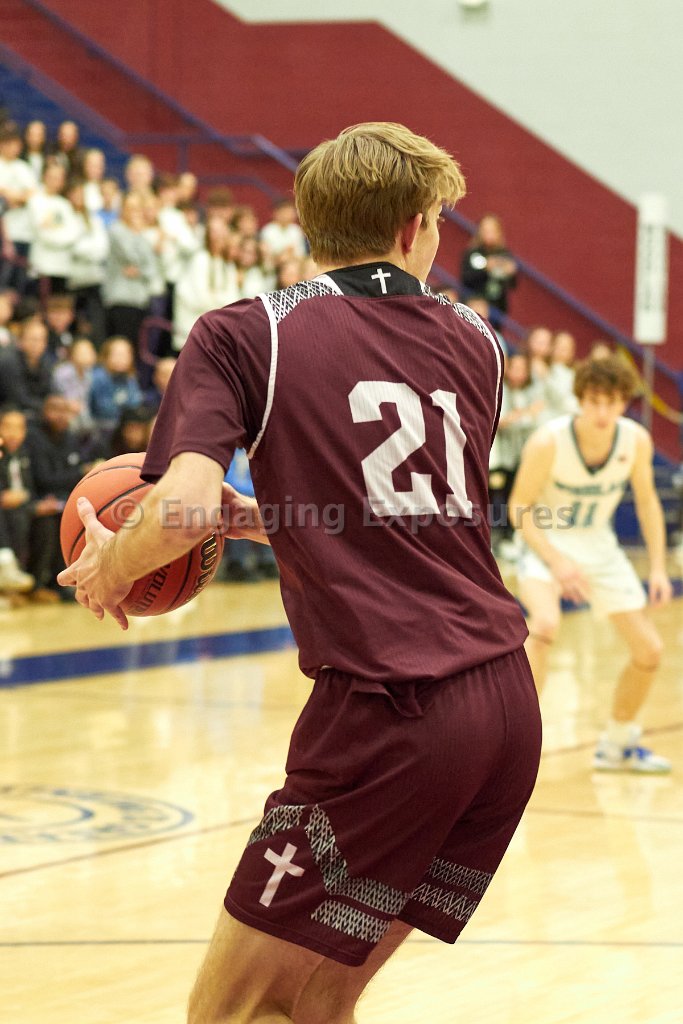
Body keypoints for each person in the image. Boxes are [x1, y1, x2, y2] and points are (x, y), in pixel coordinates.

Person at [59, 122, 541, 1024]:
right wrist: (274, 516)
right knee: (315, 1007)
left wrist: (111, 568)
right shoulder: (478, 340)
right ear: (411, 227)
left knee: (235, 1014)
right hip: (504, 708)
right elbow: (422, 523)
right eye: (439, 220)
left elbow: (180, 508)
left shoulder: (246, 331)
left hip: (393, 711)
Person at [509, 356, 672, 773]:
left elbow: (648, 502)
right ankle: (512, 745)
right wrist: (557, 562)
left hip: (599, 546)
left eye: (612, 403)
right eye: (595, 401)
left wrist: (657, 567)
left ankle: (618, 743)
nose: (603, 412)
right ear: (581, 399)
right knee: (545, 625)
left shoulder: (635, 441)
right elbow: (519, 508)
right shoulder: (548, 441)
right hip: (545, 541)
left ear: (624, 403)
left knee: (649, 649)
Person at [460, 213, 517, 314]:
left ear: (499, 232)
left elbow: (513, 284)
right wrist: (486, 268)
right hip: (474, 305)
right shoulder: (473, 253)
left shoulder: (504, 254)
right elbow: (466, 278)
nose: (488, 234)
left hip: (497, 307)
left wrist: (511, 273)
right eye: (485, 230)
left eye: (492, 230)